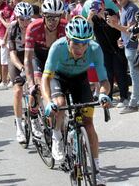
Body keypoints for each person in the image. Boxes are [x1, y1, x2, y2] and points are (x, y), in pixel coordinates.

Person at [41, 15, 110, 185]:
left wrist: (103, 94)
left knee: (88, 123)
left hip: (80, 79)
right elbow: (45, 79)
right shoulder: (57, 47)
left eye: (84, 43)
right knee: (60, 105)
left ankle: (96, 169)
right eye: (76, 43)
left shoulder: (94, 49)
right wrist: (48, 101)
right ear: (67, 39)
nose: (80, 48)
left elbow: (104, 80)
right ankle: (57, 134)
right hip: (59, 77)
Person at [24, 0, 67, 115]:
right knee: (37, 86)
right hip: (38, 56)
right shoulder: (33, 28)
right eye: (49, 17)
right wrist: (31, 83)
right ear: (43, 16)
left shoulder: (65, 27)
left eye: (56, 17)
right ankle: (33, 114)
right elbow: (27, 59)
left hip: (54, 57)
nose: (53, 21)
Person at [109, 0, 139, 113]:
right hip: (128, 46)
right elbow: (125, 30)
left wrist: (115, 26)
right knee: (138, 75)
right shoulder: (124, 8)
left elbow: (131, 30)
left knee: (135, 76)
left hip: (134, 47)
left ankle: (134, 103)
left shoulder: (131, 9)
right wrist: (121, 39)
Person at [87, 0, 129, 107]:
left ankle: (124, 97)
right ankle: (108, 97)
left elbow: (116, 23)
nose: (97, 8)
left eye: (99, 5)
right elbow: (87, 29)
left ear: (103, 5)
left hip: (116, 48)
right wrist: (90, 16)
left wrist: (102, 14)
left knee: (120, 72)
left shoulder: (109, 12)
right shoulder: (94, 18)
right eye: (94, 6)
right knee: (107, 74)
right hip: (104, 50)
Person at [7, 2, 36, 143]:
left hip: (31, 55)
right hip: (17, 57)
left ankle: (36, 117)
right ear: (17, 18)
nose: (25, 22)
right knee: (18, 91)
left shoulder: (35, 26)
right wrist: (22, 68)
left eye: (27, 18)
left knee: (37, 88)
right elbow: (11, 53)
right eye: (22, 19)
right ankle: (19, 127)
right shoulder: (13, 28)